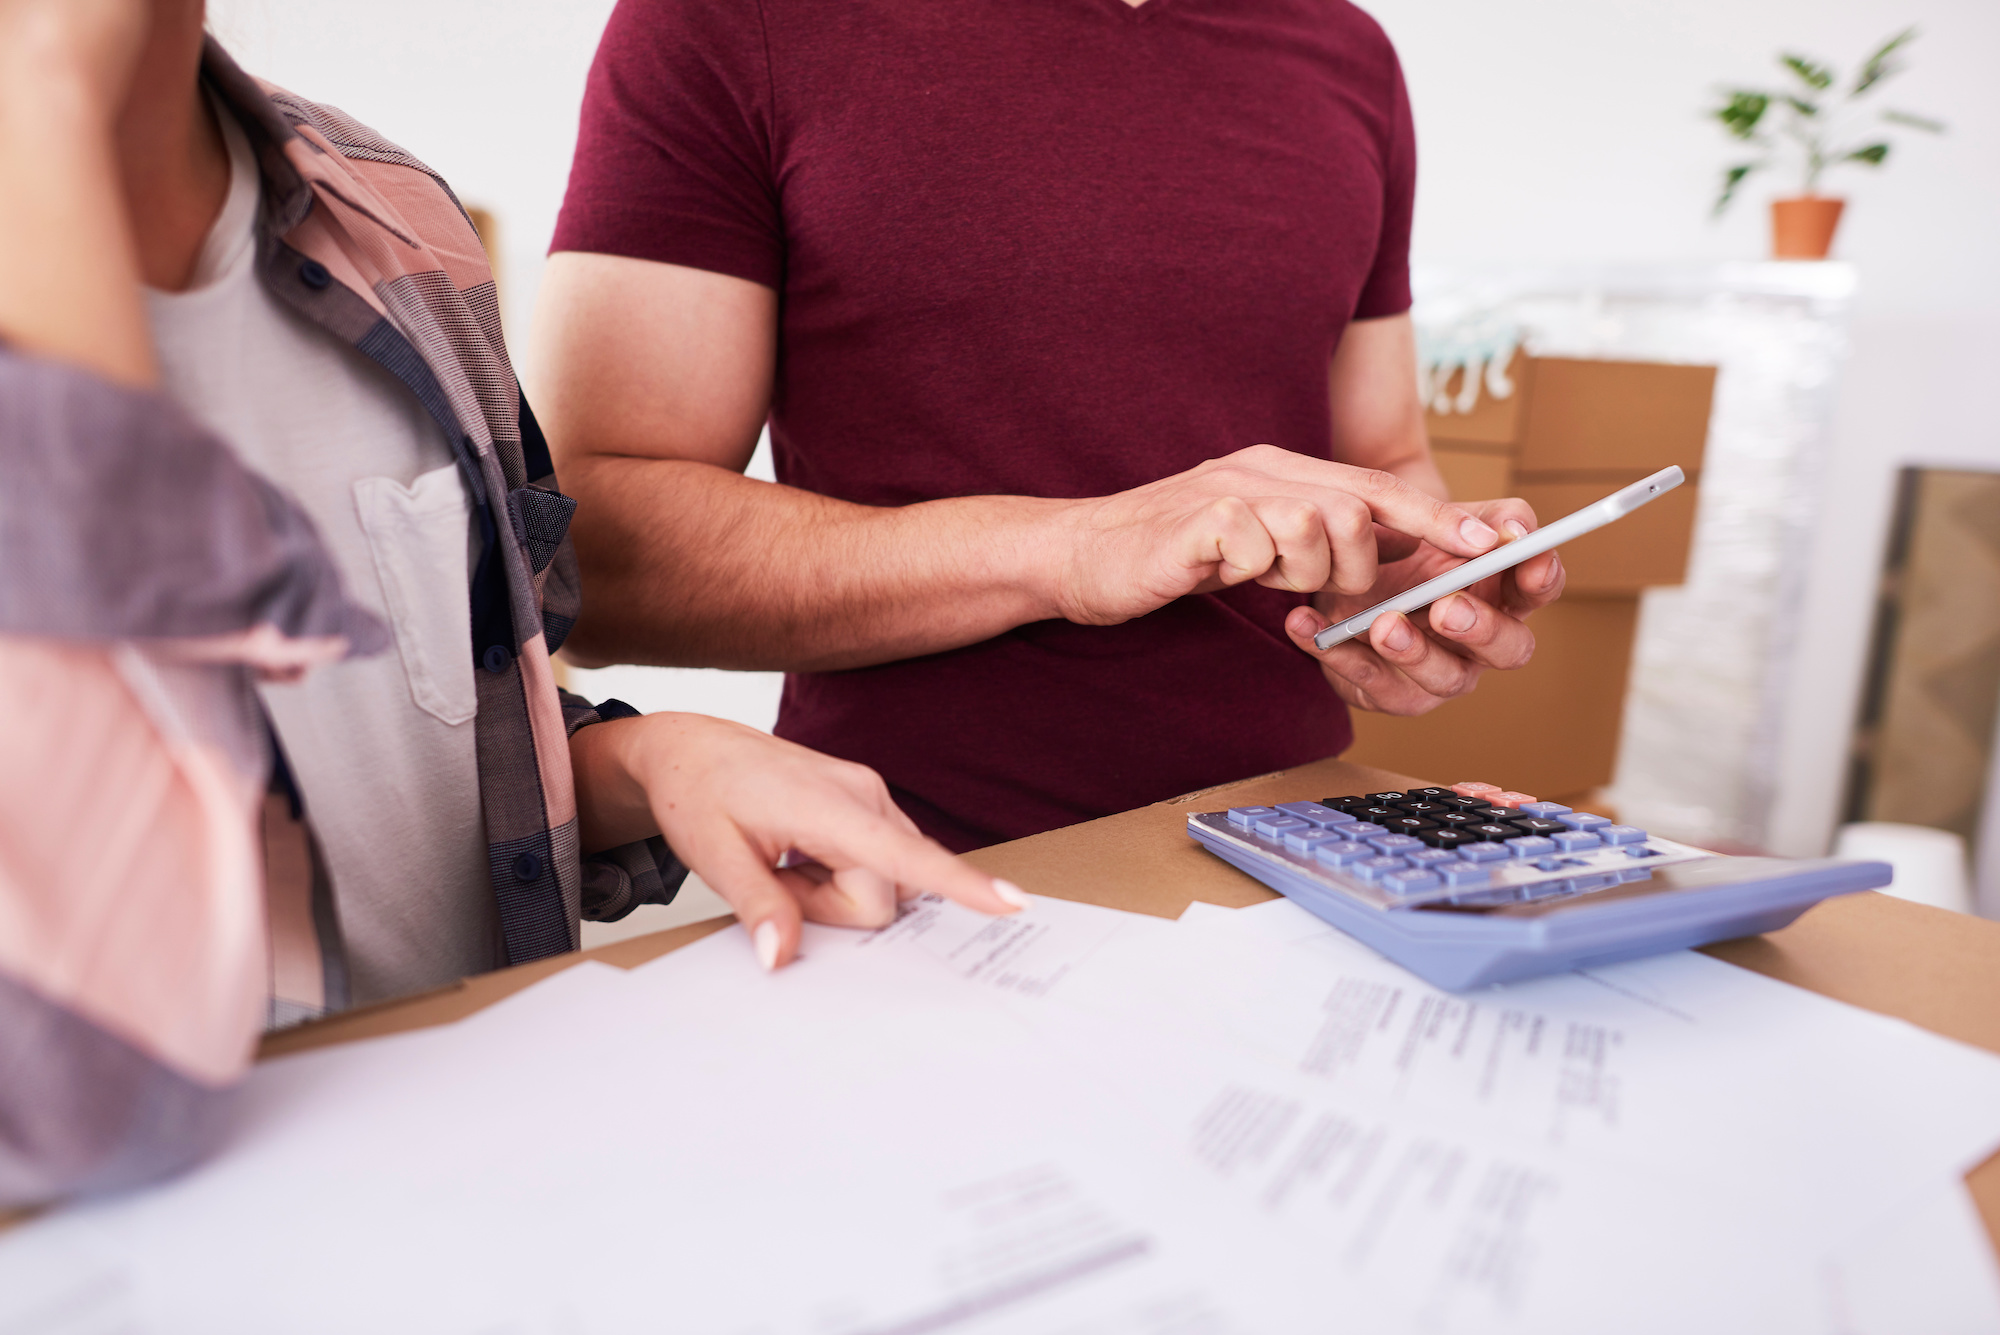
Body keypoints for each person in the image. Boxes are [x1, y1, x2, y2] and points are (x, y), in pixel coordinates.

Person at [0, 0, 1020, 1208]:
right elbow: (93, 1100)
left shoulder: (395, 222)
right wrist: (43, 98)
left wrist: (647, 763)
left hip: (484, 1196)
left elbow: (425, 727)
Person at [534, 0, 1568, 855]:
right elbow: (595, 555)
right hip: (917, 865)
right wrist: (1072, 547)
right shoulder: (729, 20)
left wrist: (1405, 584)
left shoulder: (1347, 51)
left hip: (1303, 847)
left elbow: (1381, 456)